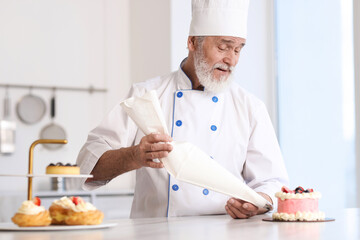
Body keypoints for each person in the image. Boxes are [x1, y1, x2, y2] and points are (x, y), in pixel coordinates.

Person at [76, 0, 288, 219]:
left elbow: (272, 182)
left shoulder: (250, 107)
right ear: (193, 42)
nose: (231, 60)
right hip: (154, 234)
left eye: (237, 49)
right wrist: (134, 155)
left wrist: (259, 201)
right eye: (223, 47)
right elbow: (86, 165)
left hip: (224, 233)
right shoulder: (146, 95)